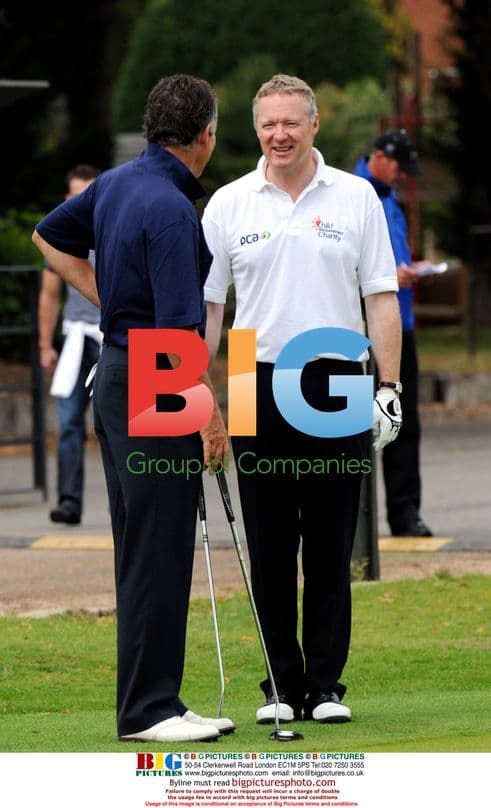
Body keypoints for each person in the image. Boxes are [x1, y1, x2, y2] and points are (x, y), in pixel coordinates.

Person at [32, 74, 233, 743]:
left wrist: (105, 292)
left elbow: (46, 236)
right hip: (153, 375)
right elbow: (179, 332)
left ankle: (153, 702)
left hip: (117, 374)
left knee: (144, 547)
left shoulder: (116, 184)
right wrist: (208, 414)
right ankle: (150, 710)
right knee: (159, 546)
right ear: (204, 136)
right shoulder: (174, 210)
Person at [203, 74, 402, 725]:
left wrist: (390, 387)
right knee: (267, 542)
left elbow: (380, 298)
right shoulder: (230, 203)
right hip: (249, 376)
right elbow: (208, 308)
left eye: (291, 122)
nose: (279, 134)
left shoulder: (356, 196)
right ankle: (280, 686)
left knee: (328, 539)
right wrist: (200, 394)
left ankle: (323, 687)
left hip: (337, 376)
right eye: (268, 124)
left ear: (314, 125)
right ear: (256, 130)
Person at [354, 129, 433, 537]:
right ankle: (352, 523)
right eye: (400, 167)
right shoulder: (352, 196)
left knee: (402, 420)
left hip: (400, 326)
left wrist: (407, 270)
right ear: (381, 157)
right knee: (350, 426)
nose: (403, 176)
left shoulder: (390, 199)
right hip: (359, 334)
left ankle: (404, 512)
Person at [38, 165, 102, 525]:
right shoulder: (61, 235)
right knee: (68, 424)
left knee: (122, 426)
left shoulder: (112, 229)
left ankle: (123, 502)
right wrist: (46, 345)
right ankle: (69, 502)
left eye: (88, 194)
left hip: (113, 338)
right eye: (75, 195)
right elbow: (49, 297)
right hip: (77, 338)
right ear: (67, 198)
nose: (81, 202)